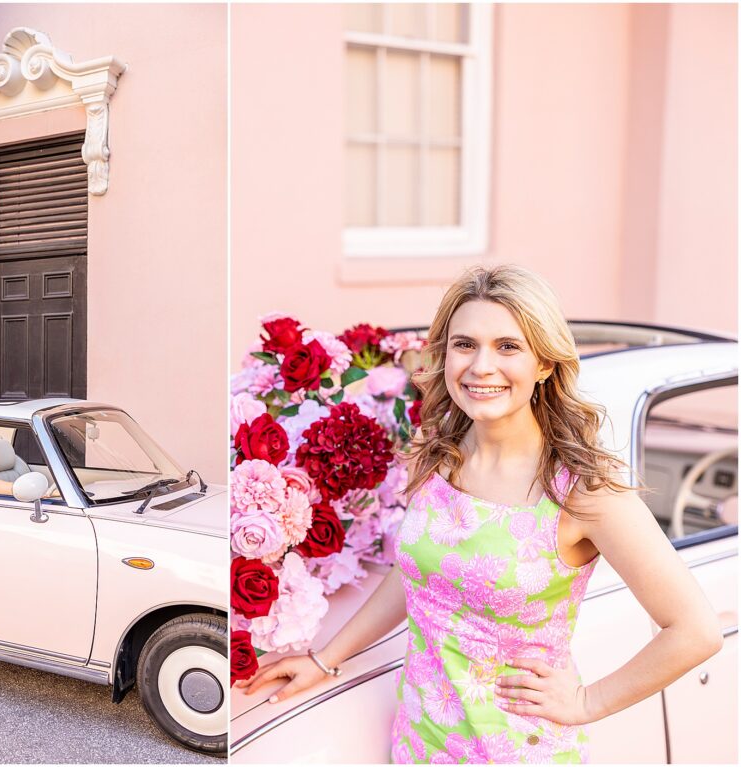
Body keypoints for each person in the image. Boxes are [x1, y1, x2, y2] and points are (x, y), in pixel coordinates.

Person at [236, 265, 724, 763]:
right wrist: (325, 659)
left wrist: (586, 701)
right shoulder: (440, 455)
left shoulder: (584, 491)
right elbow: (421, 575)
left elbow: (695, 631)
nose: (480, 366)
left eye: (508, 347)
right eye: (464, 344)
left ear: (544, 364)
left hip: (517, 750)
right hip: (421, 741)